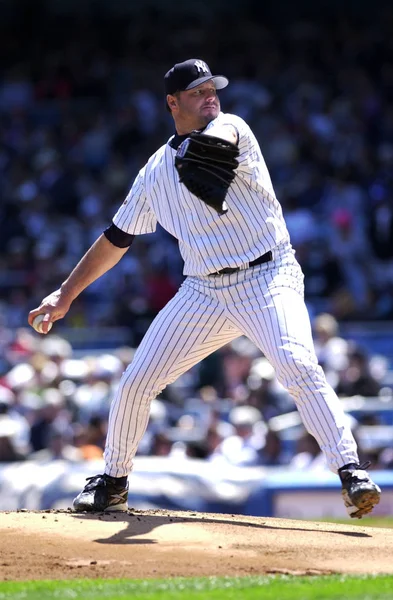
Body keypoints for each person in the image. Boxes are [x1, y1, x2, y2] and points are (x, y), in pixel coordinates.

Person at [28, 58, 381, 518]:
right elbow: (116, 239)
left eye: (212, 87)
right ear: (172, 103)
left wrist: (194, 145)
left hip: (268, 277)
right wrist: (66, 294)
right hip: (203, 292)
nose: (210, 95)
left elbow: (221, 142)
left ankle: (350, 470)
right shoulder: (155, 171)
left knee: (296, 361)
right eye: (197, 92)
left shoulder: (233, 127)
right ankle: (113, 480)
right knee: (136, 381)